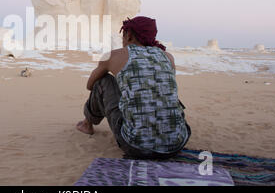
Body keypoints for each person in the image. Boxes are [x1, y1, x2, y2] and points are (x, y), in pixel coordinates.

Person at [76, 16, 191, 159]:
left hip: (136, 146)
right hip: (177, 144)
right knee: (158, 88)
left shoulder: (113, 55)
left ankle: (87, 124)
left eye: (123, 35)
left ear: (128, 35)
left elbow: (90, 85)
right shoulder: (167, 56)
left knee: (103, 81)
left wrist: (120, 82)